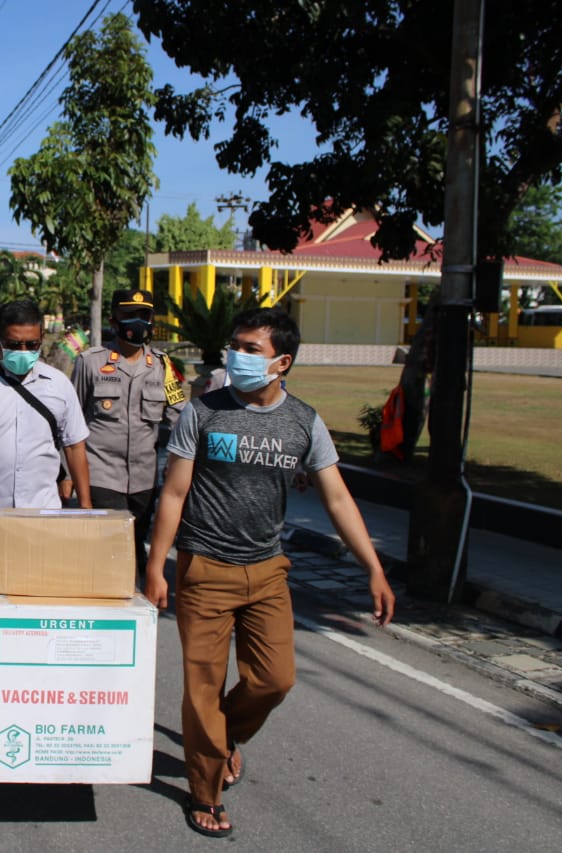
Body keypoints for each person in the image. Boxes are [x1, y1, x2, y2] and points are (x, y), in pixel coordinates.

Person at [142, 307, 396, 838]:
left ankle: (223, 737)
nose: (237, 355)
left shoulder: (304, 421)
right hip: (204, 568)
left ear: (281, 362)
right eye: (235, 345)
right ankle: (204, 793)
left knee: (274, 680)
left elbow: (337, 498)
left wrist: (373, 566)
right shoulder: (203, 411)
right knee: (203, 690)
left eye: (250, 349)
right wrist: (156, 567)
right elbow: (174, 492)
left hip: (268, 572)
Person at [0, 298, 92, 583]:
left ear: (41, 339)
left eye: (31, 345)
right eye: (14, 345)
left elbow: (75, 446)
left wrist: (86, 509)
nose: (23, 352)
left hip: (45, 521)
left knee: (37, 612)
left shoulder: (59, 385)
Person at [72, 288, 186, 575]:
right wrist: (66, 473)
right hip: (101, 473)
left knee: (136, 548)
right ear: (113, 320)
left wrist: (180, 466)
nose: (137, 322)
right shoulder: (91, 362)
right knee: (108, 549)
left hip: (144, 477)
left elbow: (180, 418)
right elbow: (72, 421)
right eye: (129, 315)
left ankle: (134, 607)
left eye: (143, 315)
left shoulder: (163, 365)